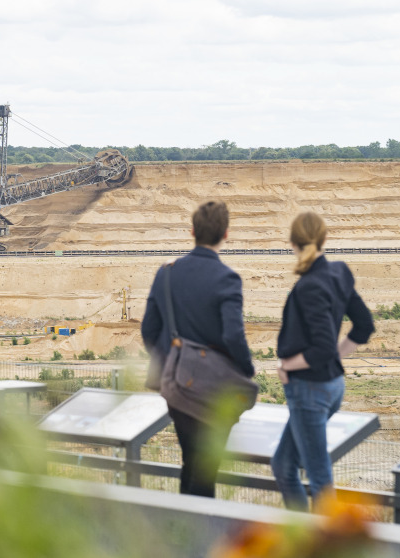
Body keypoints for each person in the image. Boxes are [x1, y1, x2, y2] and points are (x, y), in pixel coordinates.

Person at [141, 200, 255, 497]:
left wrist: (172, 363)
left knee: (190, 462)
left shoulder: (166, 273)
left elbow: (149, 331)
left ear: (192, 231)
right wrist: (246, 369)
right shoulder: (227, 279)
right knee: (206, 470)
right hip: (215, 390)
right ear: (226, 234)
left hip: (177, 386)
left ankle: (186, 531)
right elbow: (233, 335)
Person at [272, 211, 375, 512]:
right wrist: (335, 358)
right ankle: (302, 534)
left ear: (292, 242)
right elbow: (364, 326)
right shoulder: (339, 273)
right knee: (282, 465)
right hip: (332, 385)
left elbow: (320, 349)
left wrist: (285, 367)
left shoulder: (308, 286)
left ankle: (319, 544)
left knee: (319, 479)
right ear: (324, 239)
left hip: (310, 390)